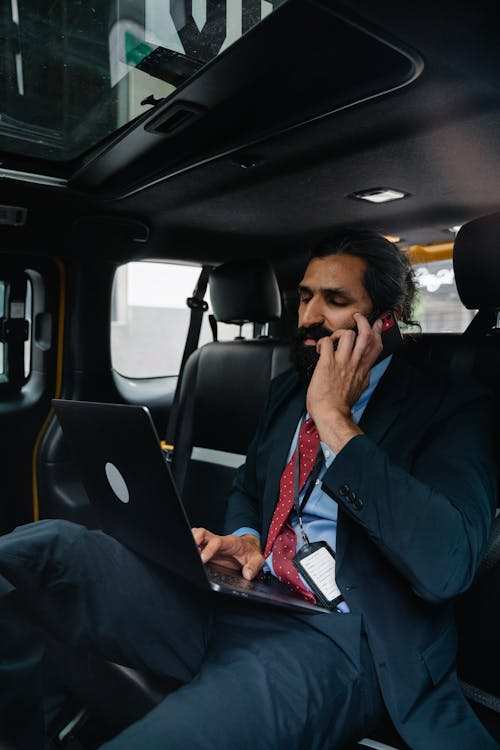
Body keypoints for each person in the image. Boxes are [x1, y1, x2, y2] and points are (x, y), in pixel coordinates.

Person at [0, 230, 497, 750]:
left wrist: (334, 419)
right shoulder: (287, 390)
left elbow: (447, 566)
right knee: (39, 551)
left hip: (343, 639)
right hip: (239, 597)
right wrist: (246, 537)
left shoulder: (451, 405)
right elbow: (248, 487)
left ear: (385, 321)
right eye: (305, 296)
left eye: (336, 300)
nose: (307, 317)